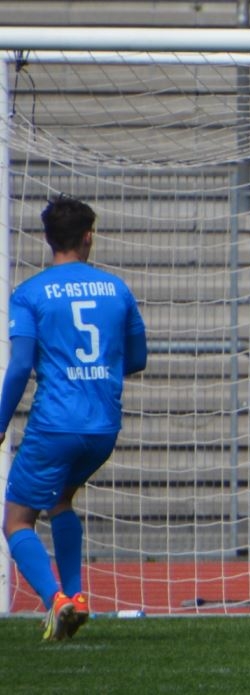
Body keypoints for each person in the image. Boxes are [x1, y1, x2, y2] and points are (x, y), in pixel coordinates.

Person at [2, 195, 148, 641]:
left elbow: (20, 365)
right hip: (102, 426)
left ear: (49, 239)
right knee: (61, 500)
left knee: (16, 520)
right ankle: (78, 597)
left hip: (55, 424)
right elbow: (137, 358)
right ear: (88, 238)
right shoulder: (117, 289)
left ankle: (56, 600)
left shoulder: (30, 293)